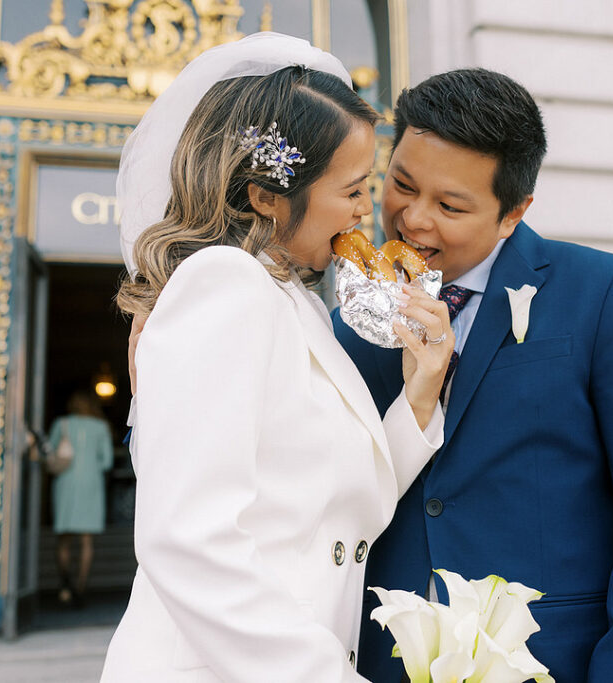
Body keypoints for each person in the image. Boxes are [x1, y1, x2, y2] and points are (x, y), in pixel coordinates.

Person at [332, 69, 613, 682]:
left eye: (450, 205)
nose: (413, 219)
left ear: (514, 213)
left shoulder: (605, 293)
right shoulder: (345, 322)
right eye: (400, 184)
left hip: (551, 660)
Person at [101, 33, 453, 682]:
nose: (365, 210)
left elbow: (339, 505)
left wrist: (424, 386)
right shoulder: (223, 286)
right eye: (353, 188)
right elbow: (187, 537)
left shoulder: (297, 302)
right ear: (266, 196)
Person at [47, 389, 114, 607]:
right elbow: (107, 462)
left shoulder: (62, 424)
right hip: (91, 483)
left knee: (64, 539)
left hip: (66, 483)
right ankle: (81, 587)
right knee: (87, 541)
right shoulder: (101, 427)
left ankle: (65, 584)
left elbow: (50, 453)